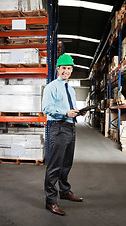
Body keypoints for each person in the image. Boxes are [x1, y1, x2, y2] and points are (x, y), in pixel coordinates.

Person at [42, 54, 85, 216]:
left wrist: (78, 113)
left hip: (71, 128)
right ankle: (51, 201)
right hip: (58, 128)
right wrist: (65, 112)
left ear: (71, 70)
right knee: (55, 166)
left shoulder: (71, 89)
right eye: (64, 68)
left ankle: (65, 191)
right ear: (58, 69)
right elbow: (46, 108)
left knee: (66, 163)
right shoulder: (51, 87)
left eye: (69, 68)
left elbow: (70, 109)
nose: (66, 71)